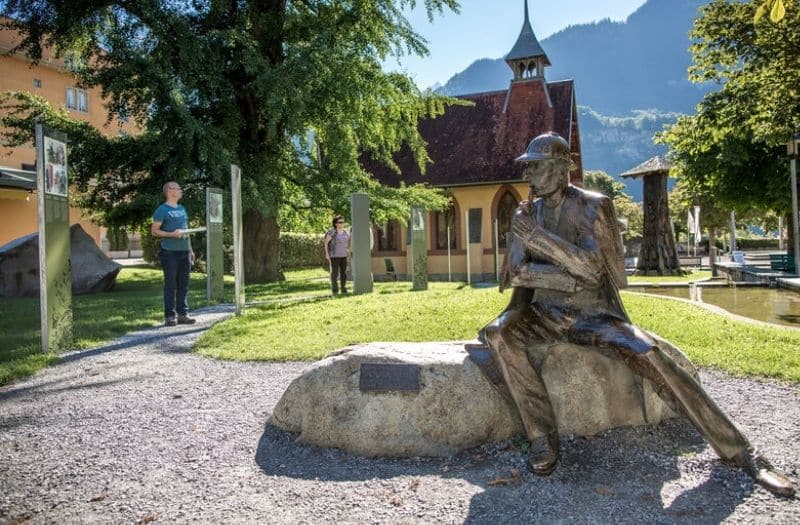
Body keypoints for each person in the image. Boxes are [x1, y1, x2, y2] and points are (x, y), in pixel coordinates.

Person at [481, 132, 795, 497]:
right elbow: (516, 274)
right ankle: (542, 436)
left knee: (650, 353)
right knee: (501, 334)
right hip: (544, 312)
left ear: (562, 167)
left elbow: (595, 272)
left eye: (536, 166)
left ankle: (743, 453)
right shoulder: (525, 211)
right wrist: (564, 274)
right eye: (528, 167)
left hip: (593, 314)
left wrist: (538, 240)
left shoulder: (592, 206)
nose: (529, 174)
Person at [151, 181, 196, 326]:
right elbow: (154, 231)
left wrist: (190, 249)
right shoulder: (162, 210)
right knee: (170, 285)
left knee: (184, 284)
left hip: (184, 253)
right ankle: (169, 316)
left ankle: (182, 314)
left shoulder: (182, 208)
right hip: (169, 253)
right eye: (178, 188)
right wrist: (172, 234)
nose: (181, 190)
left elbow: (185, 230)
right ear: (170, 190)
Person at [324, 215, 351, 294]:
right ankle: (335, 289)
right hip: (334, 256)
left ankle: (343, 288)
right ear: (336, 223)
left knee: (344, 273)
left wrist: (348, 250)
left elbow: (348, 242)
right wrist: (327, 253)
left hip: (344, 256)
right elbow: (326, 243)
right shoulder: (332, 232)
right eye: (340, 222)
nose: (342, 224)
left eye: (343, 222)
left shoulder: (346, 232)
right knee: (335, 273)